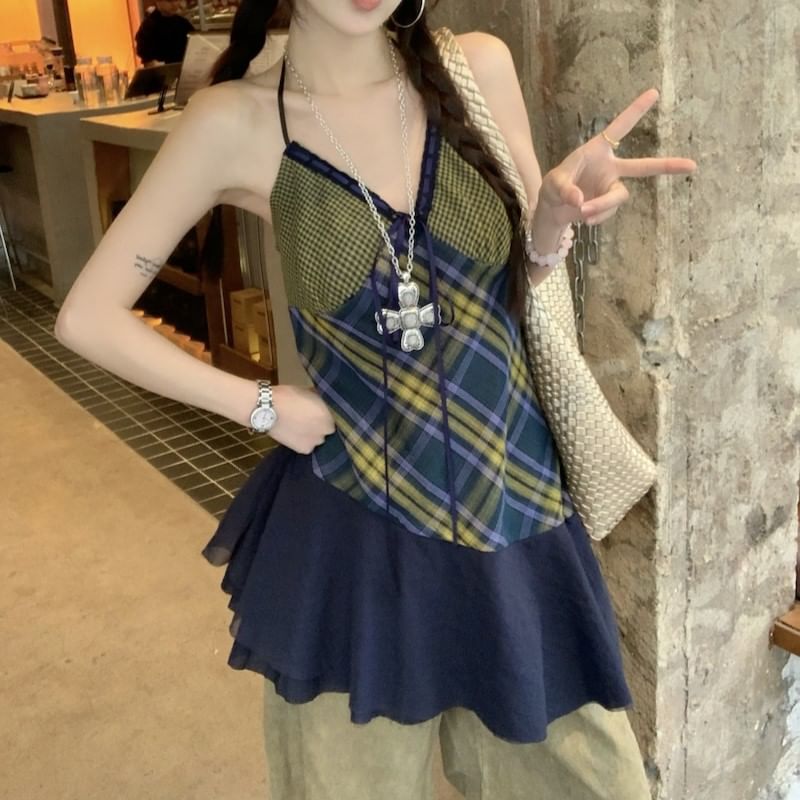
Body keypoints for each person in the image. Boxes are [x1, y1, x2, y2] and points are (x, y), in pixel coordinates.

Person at [55, 0, 697, 797]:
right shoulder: (234, 121)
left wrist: (549, 228)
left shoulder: (475, 69)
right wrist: (261, 406)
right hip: (357, 531)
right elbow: (88, 317)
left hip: (516, 507)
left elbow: (520, 288)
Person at [135, 0, 195, 67]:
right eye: (169, 1)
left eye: (177, 0)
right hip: (162, 72)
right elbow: (148, 62)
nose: (175, 4)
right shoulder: (148, 27)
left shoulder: (184, 24)